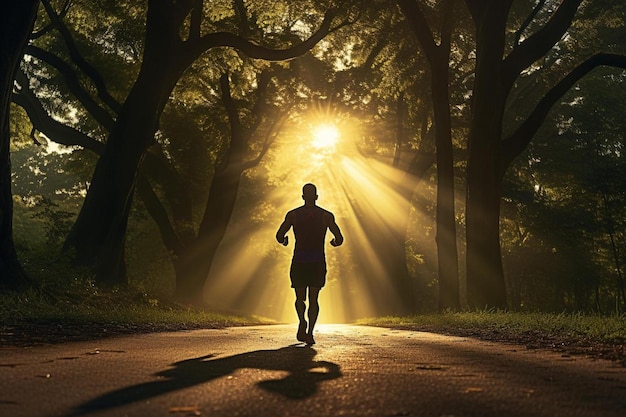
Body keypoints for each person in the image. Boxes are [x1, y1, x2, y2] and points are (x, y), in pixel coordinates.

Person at [276, 183, 343, 345]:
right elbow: (339, 238)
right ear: (317, 196)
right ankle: (310, 332)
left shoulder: (293, 215)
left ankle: (302, 322)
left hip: (299, 260)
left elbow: (279, 235)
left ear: (303, 196)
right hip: (317, 261)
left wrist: (285, 241)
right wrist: (333, 242)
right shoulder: (326, 216)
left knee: (300, 298)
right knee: (314, 298)